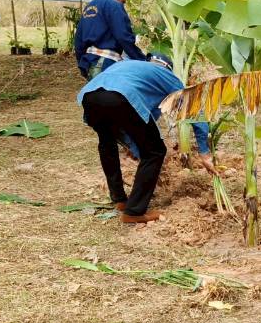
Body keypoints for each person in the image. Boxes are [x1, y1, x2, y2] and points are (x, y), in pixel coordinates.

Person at [77, 52, 212, 224]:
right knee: (155, 151)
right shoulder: (166, 75)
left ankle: (119, 200)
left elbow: (132, 124)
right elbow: (193, 108)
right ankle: (134, 212)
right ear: (167, 67)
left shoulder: (131, 66)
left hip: (90, 95)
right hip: (120, 96)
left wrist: (136, 148)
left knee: (107, 144)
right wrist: (204, 151)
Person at [73, 0, 147, 80]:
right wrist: (142, 60)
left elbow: (78, 40)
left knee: (95, 96)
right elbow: (124, 37)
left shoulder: (90, 6)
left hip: (89, 62)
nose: (125, 0)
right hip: (105, 63)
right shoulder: (114, 5)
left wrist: (82, 64)